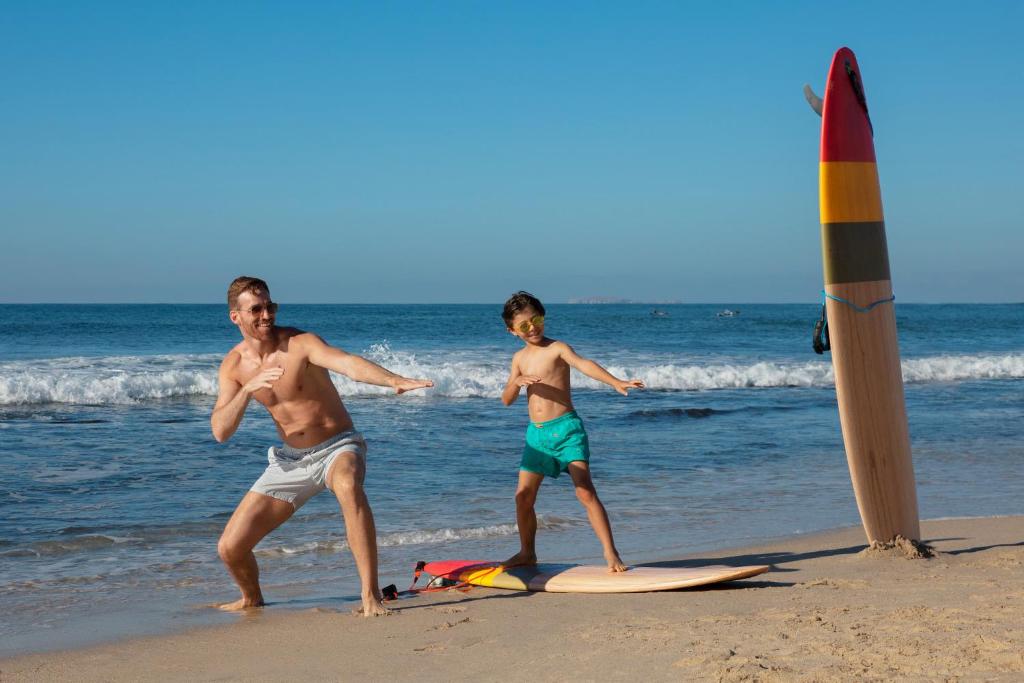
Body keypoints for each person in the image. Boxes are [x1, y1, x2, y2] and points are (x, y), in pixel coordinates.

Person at [210, 276, 432, 616]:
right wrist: (246, 389)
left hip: (338, 446)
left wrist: (394, 381)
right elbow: (220, 432)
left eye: (270, 306)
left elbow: (348, 363)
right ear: (235, 316)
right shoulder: (234, 366)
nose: (267, 314)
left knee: (347, 485)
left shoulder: (300, 343)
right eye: (256, 309)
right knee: (230, 547)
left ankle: (369, 595)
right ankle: (251, 598)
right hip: (290, 462)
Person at [500, 291, 644, 572]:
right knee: (523, 497)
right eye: (524, 325)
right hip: (537, 437)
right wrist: (516, 382)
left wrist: (615, 382)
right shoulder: (518, 359)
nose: (533, 328)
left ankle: (611, 554)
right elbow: (506, 400)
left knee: (585, 492)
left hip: (567, 431)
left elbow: (583, 364)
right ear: (512, 331)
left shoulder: (557, 348)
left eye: (536, 319)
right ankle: (527, 552)